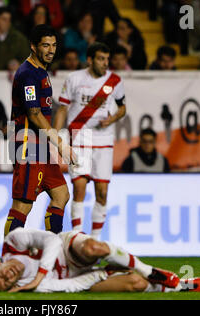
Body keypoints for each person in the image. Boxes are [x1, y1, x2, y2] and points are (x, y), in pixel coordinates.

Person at [3, 24, 77, 237]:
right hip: (27, 146)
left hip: (40, 146)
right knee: (22, 204)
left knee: (61, 194)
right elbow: (34, 114)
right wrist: (60, 143)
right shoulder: (28, 74)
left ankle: (52, 251)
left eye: (54, 45)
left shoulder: (40, 72)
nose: (51, 50)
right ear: (33, 46)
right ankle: (8, 257)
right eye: (45, 45)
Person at [0, 228, 200, 293]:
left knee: (94, 247)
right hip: (78, 276)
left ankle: (147, 269)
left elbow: (51, 241)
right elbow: (72, 286)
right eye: (7, 282)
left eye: (0, 274)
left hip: (68, 249)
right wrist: (103, 274)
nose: (8, 276)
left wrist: (39, 274)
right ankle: (181, 286)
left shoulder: (12, 243)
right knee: (136, 284)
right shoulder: (33, 288)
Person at [54, 42, 126, 240]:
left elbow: (122, 108)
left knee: (102, 192)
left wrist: (111, 119)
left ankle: (94, 241)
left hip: (104, 140)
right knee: (79, 188)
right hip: (79, 138)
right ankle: (77, 239)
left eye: (107, 59)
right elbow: (62, 108)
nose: (105, 63)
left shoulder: (115, 81)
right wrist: (58, 135)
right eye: (101, 59)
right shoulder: (74, 78)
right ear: (90, 59)